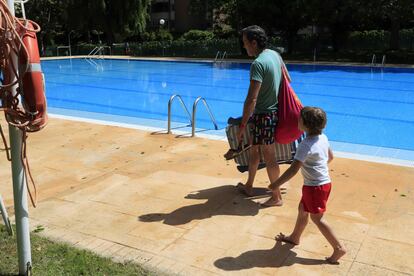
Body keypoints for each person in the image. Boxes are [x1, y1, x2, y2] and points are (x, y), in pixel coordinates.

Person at [268, 106, 346, 264]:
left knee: (317, 219)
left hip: (315, 187)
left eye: (299, 118)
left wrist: (275, 184)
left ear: (305, 124)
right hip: (323, 183)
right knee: (302, 209)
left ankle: (339, 248)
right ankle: (295, 237)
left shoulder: (305, 145)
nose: (297, 120)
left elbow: (293, 169)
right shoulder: (323, 137)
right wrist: (319, 168)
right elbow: (330, 156)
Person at [237, 25, 285, 206]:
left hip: (264, 116)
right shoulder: (274, 55)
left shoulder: (258, 64)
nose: (244, 47)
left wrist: (242, 126)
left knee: (269, 155)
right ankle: (249, 185)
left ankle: (276, 196)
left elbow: (252, 99)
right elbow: (286, 79)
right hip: (269, 114)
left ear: (254, 42)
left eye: (245, 43)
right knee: (255, 150)